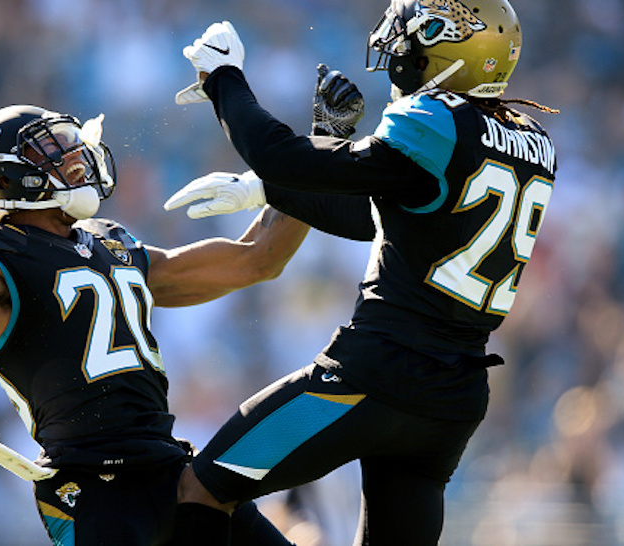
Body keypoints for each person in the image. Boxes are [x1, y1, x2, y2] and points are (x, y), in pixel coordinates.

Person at [164, 2, 559, 545]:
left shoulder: (436, 118)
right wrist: (266, 191)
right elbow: (388, 216)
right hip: (452, 398)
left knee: (200, 489)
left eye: (413, 39)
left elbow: (282, 157)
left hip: (375, 374)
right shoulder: (531, 140)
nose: (400, 51)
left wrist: (224, 79)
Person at [0, 103, 318, 546]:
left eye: (70, 143)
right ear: (4, 178)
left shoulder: (109, 244)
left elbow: (258, 258)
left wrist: (320, 149)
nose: (74, 156)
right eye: (51, 149)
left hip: (173, 470)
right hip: (90, 485)